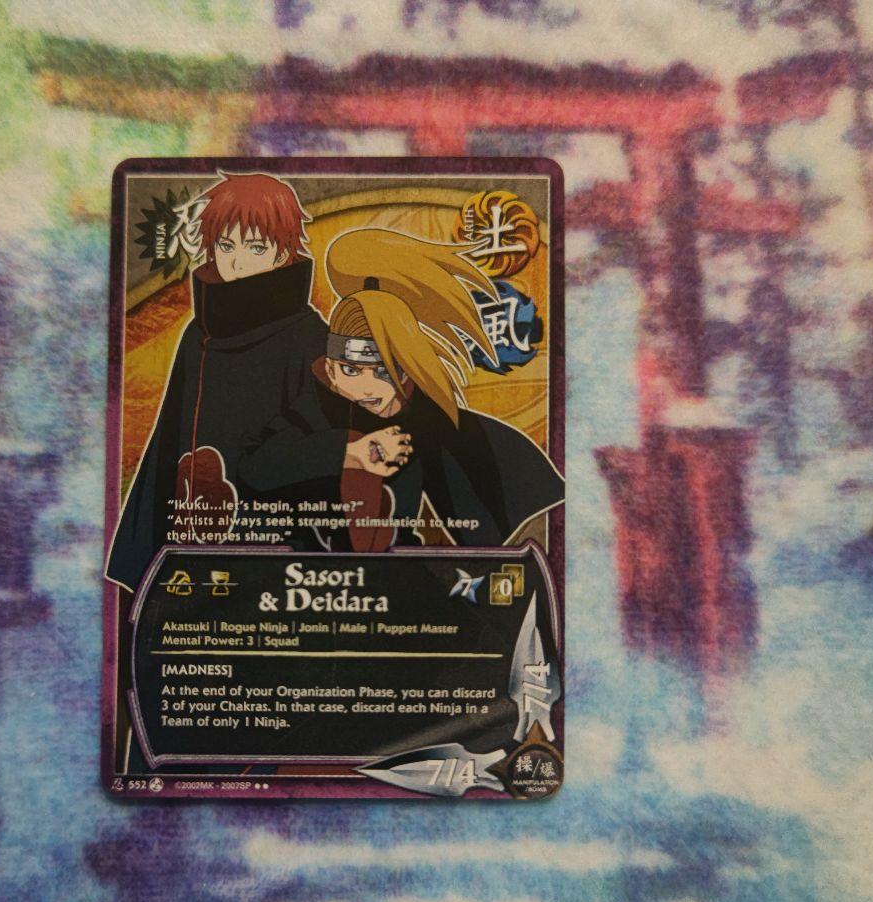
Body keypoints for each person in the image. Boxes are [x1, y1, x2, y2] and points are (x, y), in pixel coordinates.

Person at [239, 228, 564, 552]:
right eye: (351, 371)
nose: (367, 387)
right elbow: (256, 467)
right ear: (331, 370)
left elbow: (521, 518)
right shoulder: (312, 411)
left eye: (385, 372)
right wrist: (350, 452)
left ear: (407, 369)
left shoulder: (435, 424)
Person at [106, 173, 328, 591]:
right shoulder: (198, 333)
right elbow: (165, 446)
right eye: (226, 246)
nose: (237, 263)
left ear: (284, 252)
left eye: (256, 247)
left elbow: (319, 447)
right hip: (195, 531)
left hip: (281, 546)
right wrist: (140, 556)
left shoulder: (309, 337)